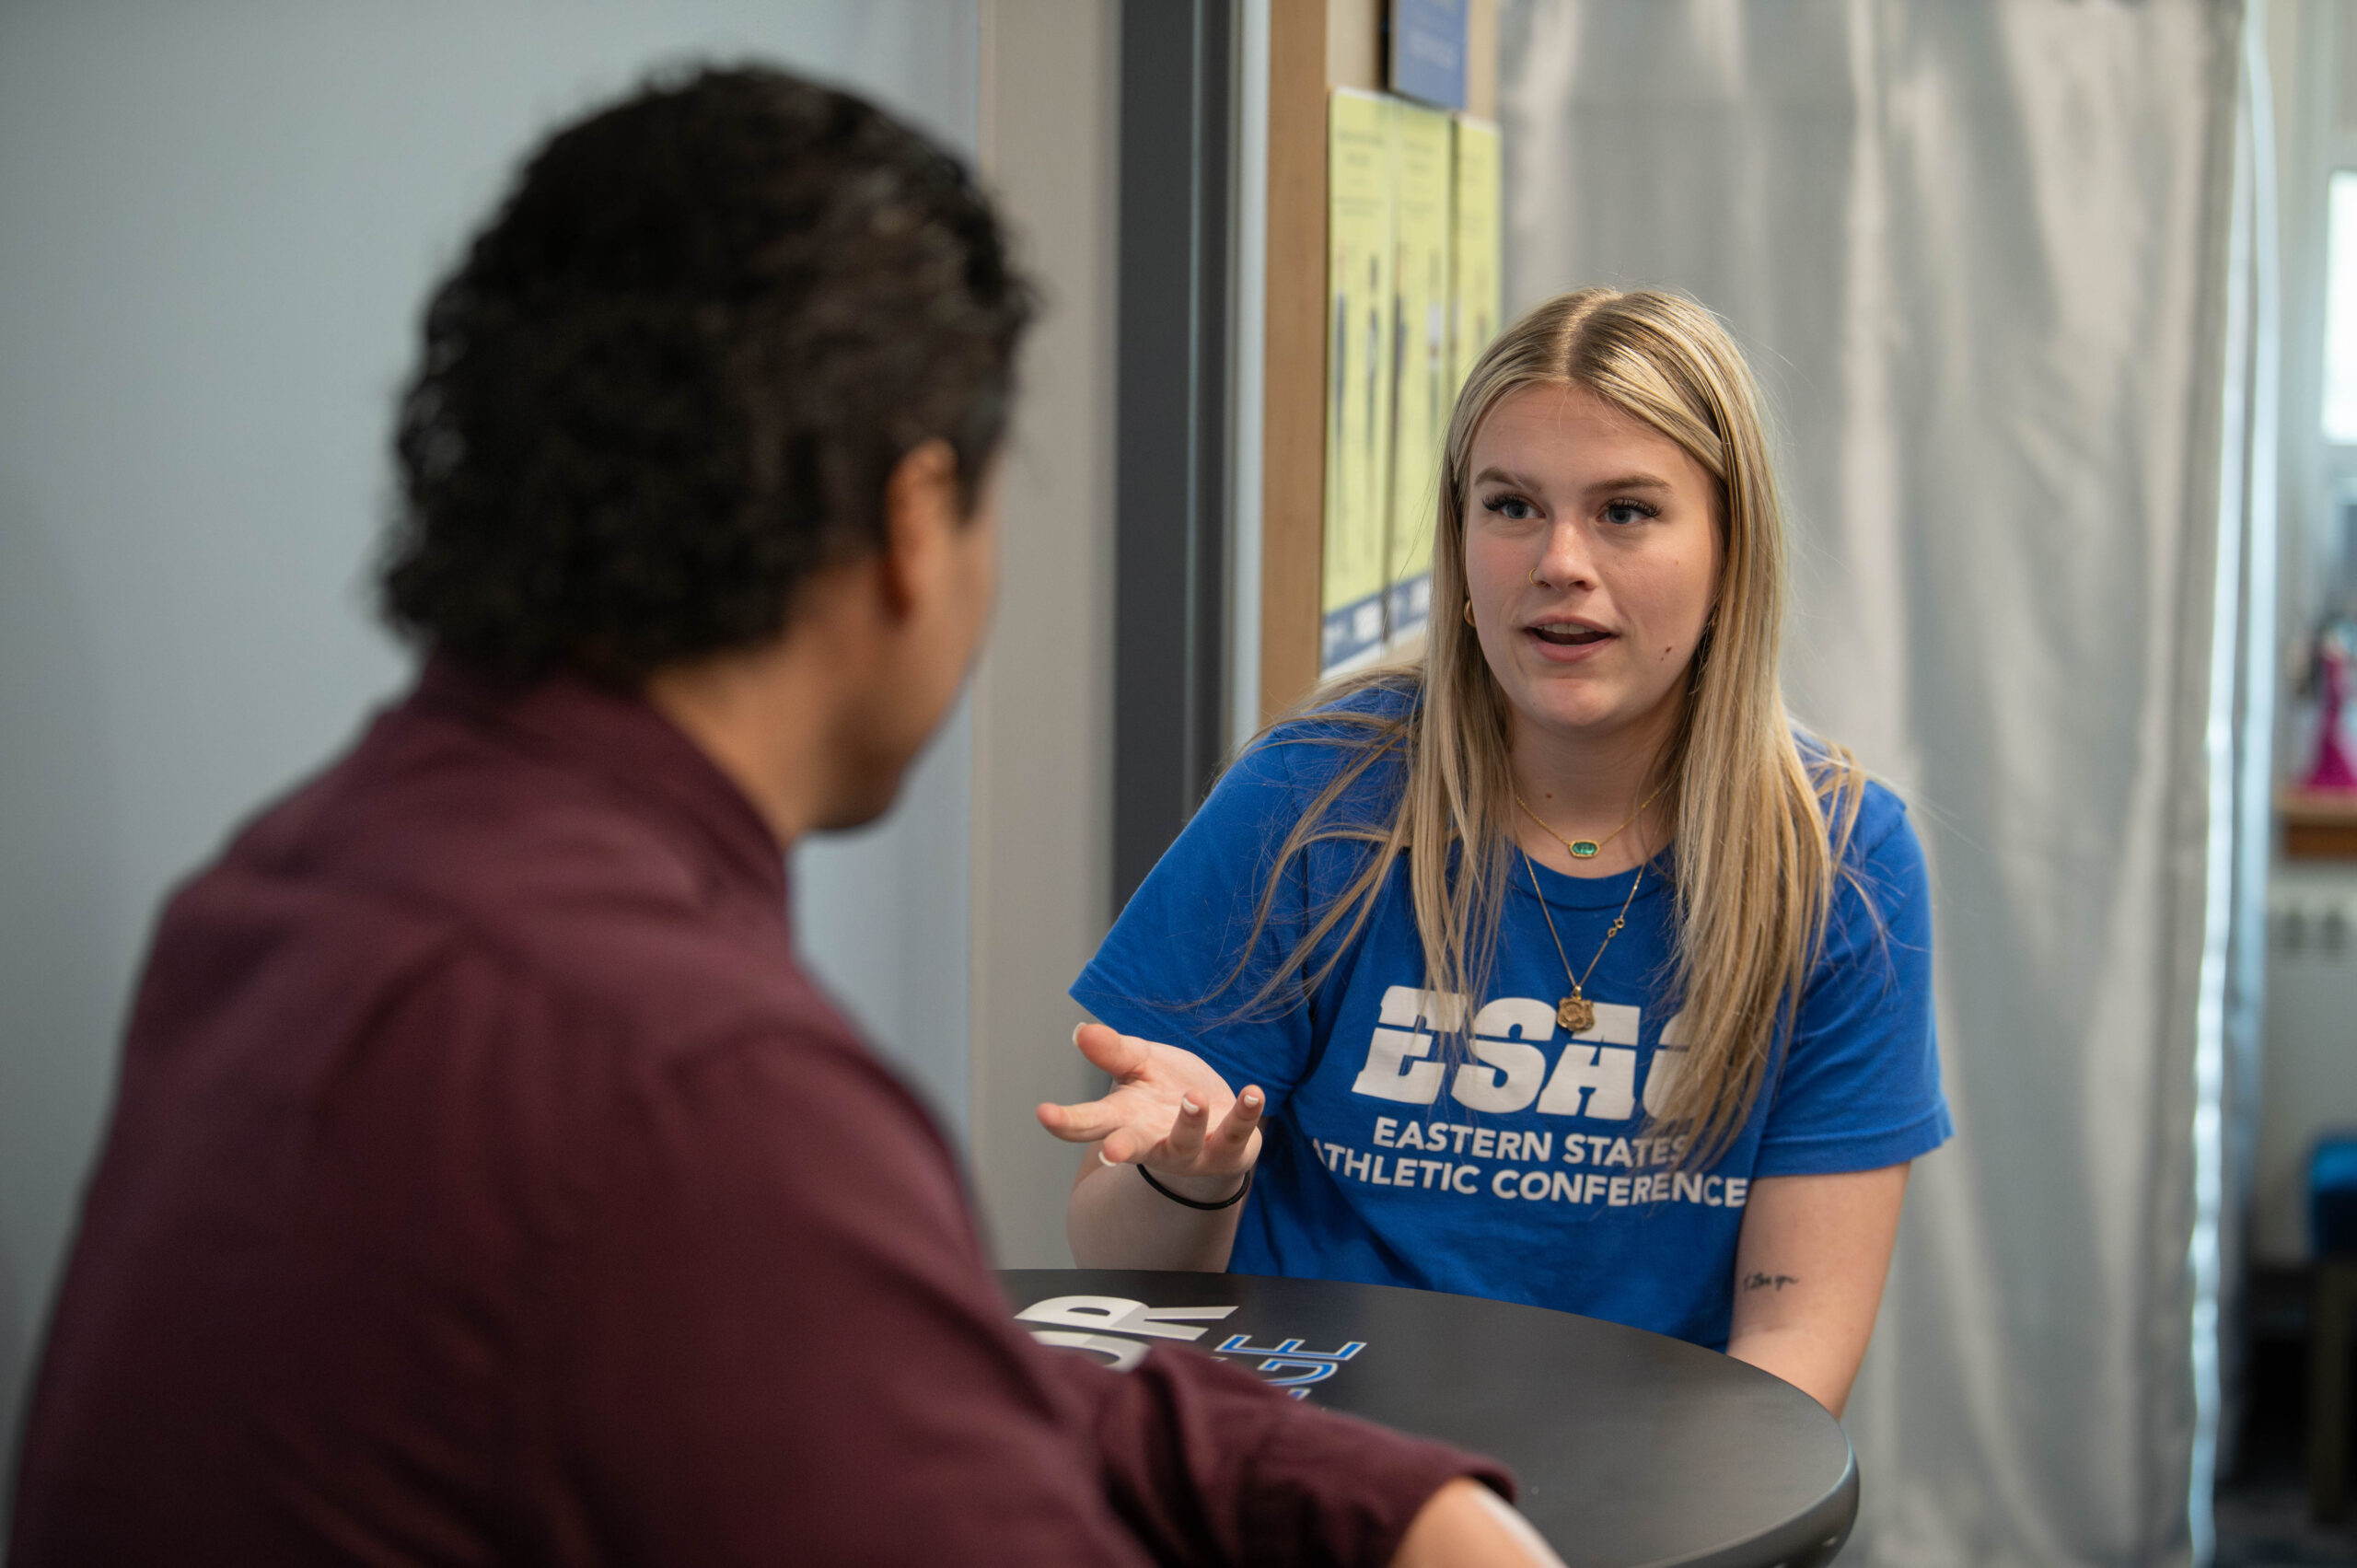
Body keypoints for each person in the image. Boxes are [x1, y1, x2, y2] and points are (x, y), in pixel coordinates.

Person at [7, 67, 1562, 1568]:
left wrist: (1354, 1485)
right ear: (910, 519)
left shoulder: (286, 892)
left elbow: (888, 1385)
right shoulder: (691, 1081)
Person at [1041, 288, 1951, 1418]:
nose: (1560, 560)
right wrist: (1185, 1177)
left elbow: (1795, 1332)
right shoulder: (1311, 799)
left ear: (1731, 551)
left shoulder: (1842, 857)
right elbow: (1119, 1265)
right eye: (1512, 505)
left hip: (1644, 1493)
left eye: (1625, 511)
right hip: (1308, 1474)